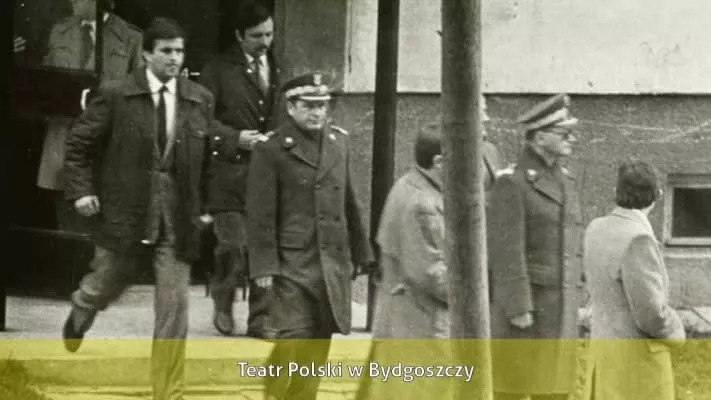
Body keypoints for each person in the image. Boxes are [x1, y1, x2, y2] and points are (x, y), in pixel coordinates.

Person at [61, 17, 214, 400]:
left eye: (180, 51)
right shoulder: (117, 94)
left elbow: (209, 162)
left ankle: (169, 392)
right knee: (107, 281)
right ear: (146, 54)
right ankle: (83, 306)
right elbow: (78, 145)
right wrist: (81, 191)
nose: (174, 59)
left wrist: (209, 206)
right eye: (166, 51)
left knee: (174, 308)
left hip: (177, 219)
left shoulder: (198, 99)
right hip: (126, 213)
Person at [246, 72, 374, 400]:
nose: (317, 113)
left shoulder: (338, 142)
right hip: (291, 262)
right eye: (309, 106)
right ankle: (275, 394)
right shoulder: (272, 149)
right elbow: (260, 214)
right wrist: (263, 266)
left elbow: (350, 201)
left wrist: (362, 252)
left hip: (330, 260)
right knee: (293, 337)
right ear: (291, 108)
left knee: (320, 337)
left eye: (322, 106)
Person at [487, 93, 585, 400]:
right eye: (564, 133)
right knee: (514, 390)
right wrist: (517, 307)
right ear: (540, 138)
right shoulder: (512, 183)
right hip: (528, 312)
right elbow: (506, 252)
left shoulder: (566, 181)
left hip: (560, 309)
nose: (572, 139)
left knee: (555, 392)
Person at [199, 0, 281, 338]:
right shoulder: (218, 70)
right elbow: (200, 120)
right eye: (256, 36)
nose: (265, 42)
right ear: (238, 35)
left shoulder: (277, 65)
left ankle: (261, 319)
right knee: (233, 245)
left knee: (265, 247)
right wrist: (236, 139)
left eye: (269, 34)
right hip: (228, 177)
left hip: (267, 176)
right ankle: (223, 301)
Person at [359, 123, 451, 400]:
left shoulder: (409, 185)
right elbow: (430, 273)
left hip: (405, 319)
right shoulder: (424, 203)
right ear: (439, 162)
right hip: (421, 324)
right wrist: (479, 291)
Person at [36, 0, 143, 232]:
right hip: (63, 137)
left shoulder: (131, 38)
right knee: (66, 217)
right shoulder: (59, 31)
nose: (72, 1)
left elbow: (139, 96)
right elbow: (44, 83)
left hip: (105, 143)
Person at [582, 160, 685, 400]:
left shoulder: (595, 228)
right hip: (637, 367)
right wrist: (676, 330)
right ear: (657, 195)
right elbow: (651, 314)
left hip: (603, 358)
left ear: (616, 191)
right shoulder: (639, 239)